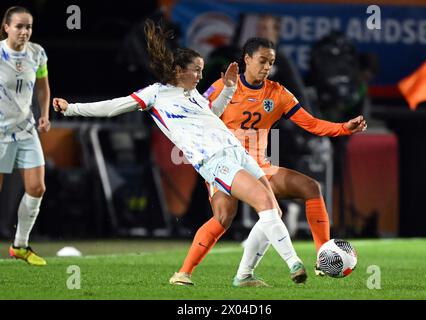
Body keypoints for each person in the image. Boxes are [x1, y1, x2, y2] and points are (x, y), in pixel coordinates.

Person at [53, 20, 308, 287]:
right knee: (263, 204)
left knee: (255, 214)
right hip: (214, 160)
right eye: (196, 70)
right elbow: (112, 107)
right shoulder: (156, 94)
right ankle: (294, 264)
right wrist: (72, 108)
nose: (200, 76)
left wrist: (230, 88)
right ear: (178, 70)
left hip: (237, 152)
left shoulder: (194, 95)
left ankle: (231, 275)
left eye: (201, 70)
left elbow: (213, 115)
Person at [173, 37, 367, 287]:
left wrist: (344, 127)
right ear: (247, 59)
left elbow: (311, 123)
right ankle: (184, 272)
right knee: (223, 217)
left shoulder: (278, 93)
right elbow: (198, 117)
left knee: (309, 188)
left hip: (258, 167)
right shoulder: (224, 86)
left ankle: (322, 257)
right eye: (262, 61)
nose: (267, 67)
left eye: (271, 62)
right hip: (225, 166)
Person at [0, 6, 51, 266]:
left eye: (28, 26)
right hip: (0, 132)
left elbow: (42, 86)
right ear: (6, 27)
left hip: (26, 129)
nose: (24, 31)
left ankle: (20, 246)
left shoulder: (37, 53)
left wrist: (44, 113)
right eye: (19, 26)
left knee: (36, 187)